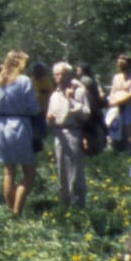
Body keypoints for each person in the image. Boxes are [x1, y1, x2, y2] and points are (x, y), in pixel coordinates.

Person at [0, 50, 40, 216]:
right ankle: (17, 210)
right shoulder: (24, 81)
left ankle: (10, 210)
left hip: (1, 125)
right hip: (20, 125)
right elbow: (33, 107)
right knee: (29, 173)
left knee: (9, 171)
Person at [46, 61, 89, 208]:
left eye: (61, 74)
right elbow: (50, 116)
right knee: (62, 171)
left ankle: (78, 205)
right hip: (58, 133)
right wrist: (50, 119)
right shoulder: (54, 94)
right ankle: (65, 205)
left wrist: (70, 100)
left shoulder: (79, 91)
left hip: (73, 132)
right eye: (56, 74)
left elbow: (86, 114)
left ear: (69, 75)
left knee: (75, 172)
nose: (58, 77)